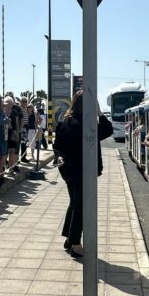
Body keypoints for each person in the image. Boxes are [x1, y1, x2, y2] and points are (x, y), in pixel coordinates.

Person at [54, 91, 113, 258]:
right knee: (80, 206)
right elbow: (107, 130)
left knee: (74, 202)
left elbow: (57, 144)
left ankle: (68, 239)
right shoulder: (87, 123)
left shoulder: (65, 120)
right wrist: (100, 113)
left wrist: (58, 155)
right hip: (82, 169)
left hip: (67, 169)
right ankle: (74, 243)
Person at [4, 96, 21, 173]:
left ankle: (11, 168)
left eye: (10, 103)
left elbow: (17, 124)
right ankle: (3, 168)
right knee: (4, 153)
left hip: (13, 134)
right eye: (7, 103)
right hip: (4, 134)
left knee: (12, 151)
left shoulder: (14, 112)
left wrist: (17, 134)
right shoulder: (2, 112)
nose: (9, 105)